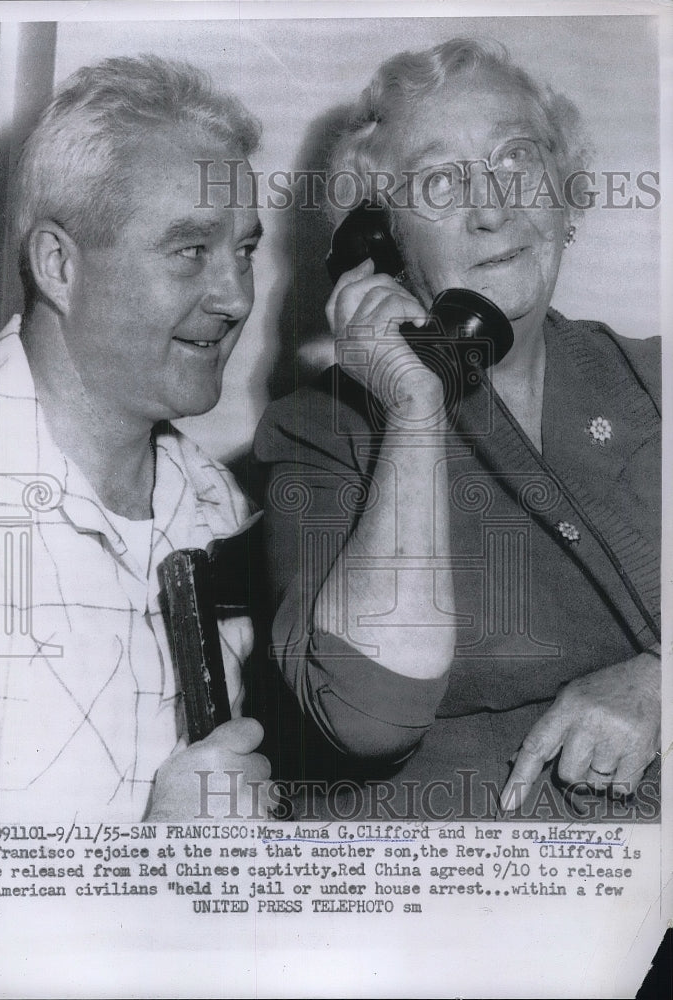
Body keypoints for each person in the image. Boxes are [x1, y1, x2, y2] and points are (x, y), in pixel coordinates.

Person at [254, 39, 661, 821]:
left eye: (516, 160)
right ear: (382, 241)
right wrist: (414, 409)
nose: (493, 209)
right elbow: (369, 714)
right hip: (453, 895)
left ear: (566, 194)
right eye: (440, 181)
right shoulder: (317, 434)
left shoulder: (654, 380)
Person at [0, 55, 271, 822]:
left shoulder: (217, 506)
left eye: (245, 251)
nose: (235, 297)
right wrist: (156, 867)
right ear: (59, 265)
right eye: (192, 249)